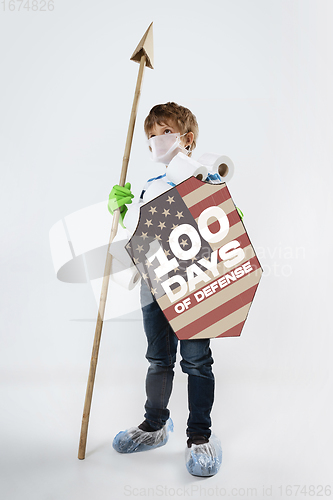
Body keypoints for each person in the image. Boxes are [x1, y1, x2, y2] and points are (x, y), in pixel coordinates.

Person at [108, 102, 223, 477]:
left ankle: (200, 437)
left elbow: (216, 220)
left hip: (191, 284)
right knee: (159, 359)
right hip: (153, 284)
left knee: (196, 361)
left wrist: (216, 195)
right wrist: (125, 211)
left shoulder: (201, 177)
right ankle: (155, 425)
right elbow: (140, 236)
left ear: (186, 139)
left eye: (165, 133)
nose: (158, 141)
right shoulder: (151, 185)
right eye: (152, 136)